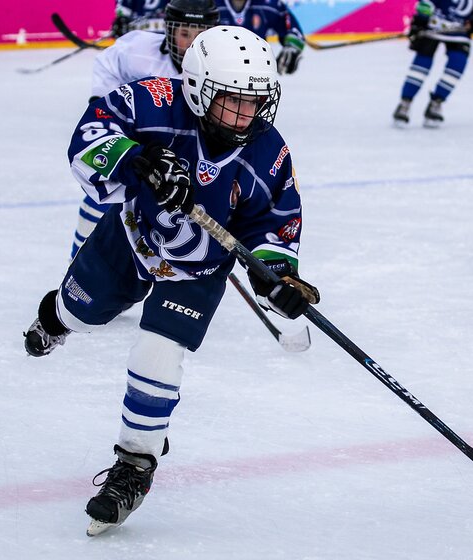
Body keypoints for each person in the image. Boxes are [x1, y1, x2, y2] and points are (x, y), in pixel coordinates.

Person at [23, 26, 320, 536]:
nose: (246, 116)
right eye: (232, 102)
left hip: (197, 267)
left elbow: (274, 220)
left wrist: (279, 276)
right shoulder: (155, 101)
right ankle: (57, 316)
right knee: (80, 312)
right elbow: (88, 135)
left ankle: (134, 466)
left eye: (256, 102)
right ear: (199, 89)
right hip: (132, 237)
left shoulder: (268, 151)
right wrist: (135, 157)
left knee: (157, 352)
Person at [71, 0, 220, 259]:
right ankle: (77, 263)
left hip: (186, 160)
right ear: (169, 30)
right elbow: (107, 63)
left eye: (201, 36)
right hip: (138, 153)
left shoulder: (221, 68)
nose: (191, 44)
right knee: (101, 199)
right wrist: (103, 104)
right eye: (185, 34)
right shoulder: (137, 48)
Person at [392, 0, 473, 128]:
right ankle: (405, 102)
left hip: (460, 30)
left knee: (457, 65)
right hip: (433, 27)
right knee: (420, 66)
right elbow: (426, 3)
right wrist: (421, 20)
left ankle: (436, 102)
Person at [214, 0, 306, 75]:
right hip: (218, 70)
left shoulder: (268, 4)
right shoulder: (211, 4)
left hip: (258, 73)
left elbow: (293, 30)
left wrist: (292, 47)